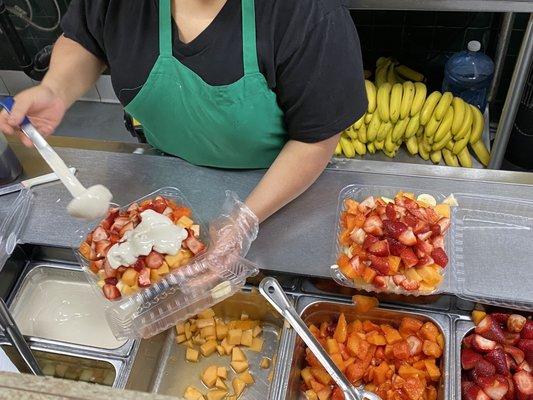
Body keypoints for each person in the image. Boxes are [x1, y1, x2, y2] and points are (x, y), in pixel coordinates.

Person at [0, 0, 366, 256]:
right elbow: (85, 39)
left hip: (273, 187)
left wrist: (244, 221)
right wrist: (56, 88)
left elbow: (315, 141)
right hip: (165, 173)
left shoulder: (311, 14)